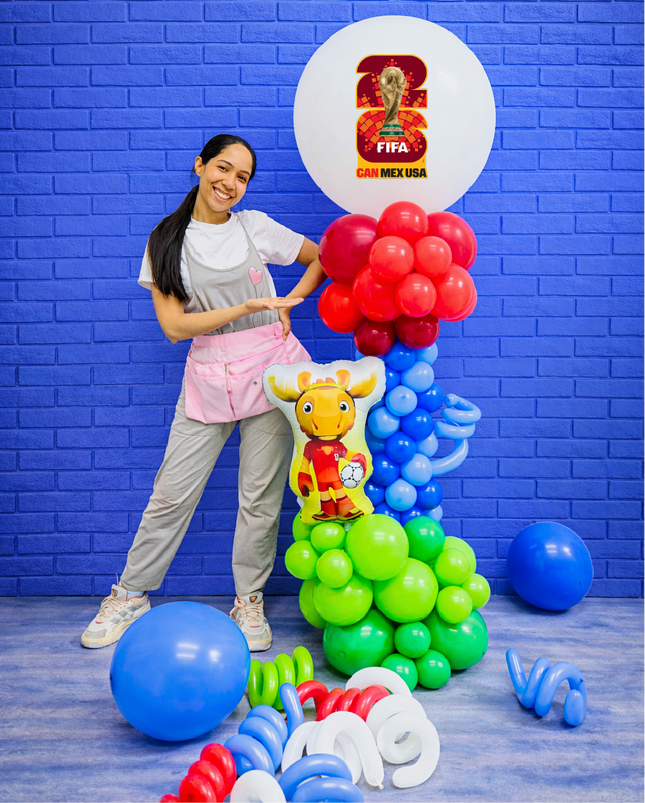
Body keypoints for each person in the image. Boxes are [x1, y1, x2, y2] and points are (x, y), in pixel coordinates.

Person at [81, 134, 325, 652]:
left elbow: (322, 257)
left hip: (271, 372)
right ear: (199, 166)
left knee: (260, 499)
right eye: (222, 168)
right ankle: (130, 595)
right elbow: (173, 327)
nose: (230, 183)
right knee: (171, 494)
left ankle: (249, 601)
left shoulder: (255, 228)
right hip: (209, 376)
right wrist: (243, 308)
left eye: (242, 177)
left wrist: (292, 300)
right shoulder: (166, 241)